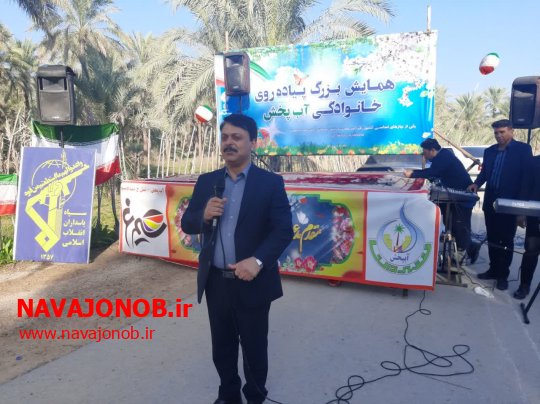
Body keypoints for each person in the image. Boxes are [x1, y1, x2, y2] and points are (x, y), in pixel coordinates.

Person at [181, 114, 293, 404]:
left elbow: (283, 230)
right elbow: (188, 223)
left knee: (254, 347)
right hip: (216, 281)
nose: (229, 143)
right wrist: (203, 214)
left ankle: (255, 396)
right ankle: (228, 394)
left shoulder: (270, 183)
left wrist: (257, 261)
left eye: (237, 137)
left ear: (253, 143)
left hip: (252, 281)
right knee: (222, 346)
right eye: (225, 137)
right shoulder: (207, 182)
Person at [467, 119, 532, 290]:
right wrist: (476, 184)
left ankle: (503, 275)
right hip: (491, 201)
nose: (498, 135)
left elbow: (526, 178)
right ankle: (493, 269)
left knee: (506, 240)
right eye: (496, 133)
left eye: (502, 132)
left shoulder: (523, 150)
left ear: (511, 131)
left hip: (510, 203)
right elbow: (485, 173)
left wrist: (521, 208)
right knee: (493, 238)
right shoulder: (489, 151)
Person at [404, 138, 480, 263]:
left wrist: (413, 174)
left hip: (463, 197)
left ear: (432, 150)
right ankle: (463, 249)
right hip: (451, 196)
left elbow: (433, 172)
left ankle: (464, 251)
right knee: (449, 224)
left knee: (459, 227)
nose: (424, 156)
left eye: (425, 153)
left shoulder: (444, 157)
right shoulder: (441, 156)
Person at [514, 155, 540, 299]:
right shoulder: (534, 162)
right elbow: (525, 187)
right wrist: (521, 212)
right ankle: (524, 286)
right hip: (535, 214)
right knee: (531, 251)